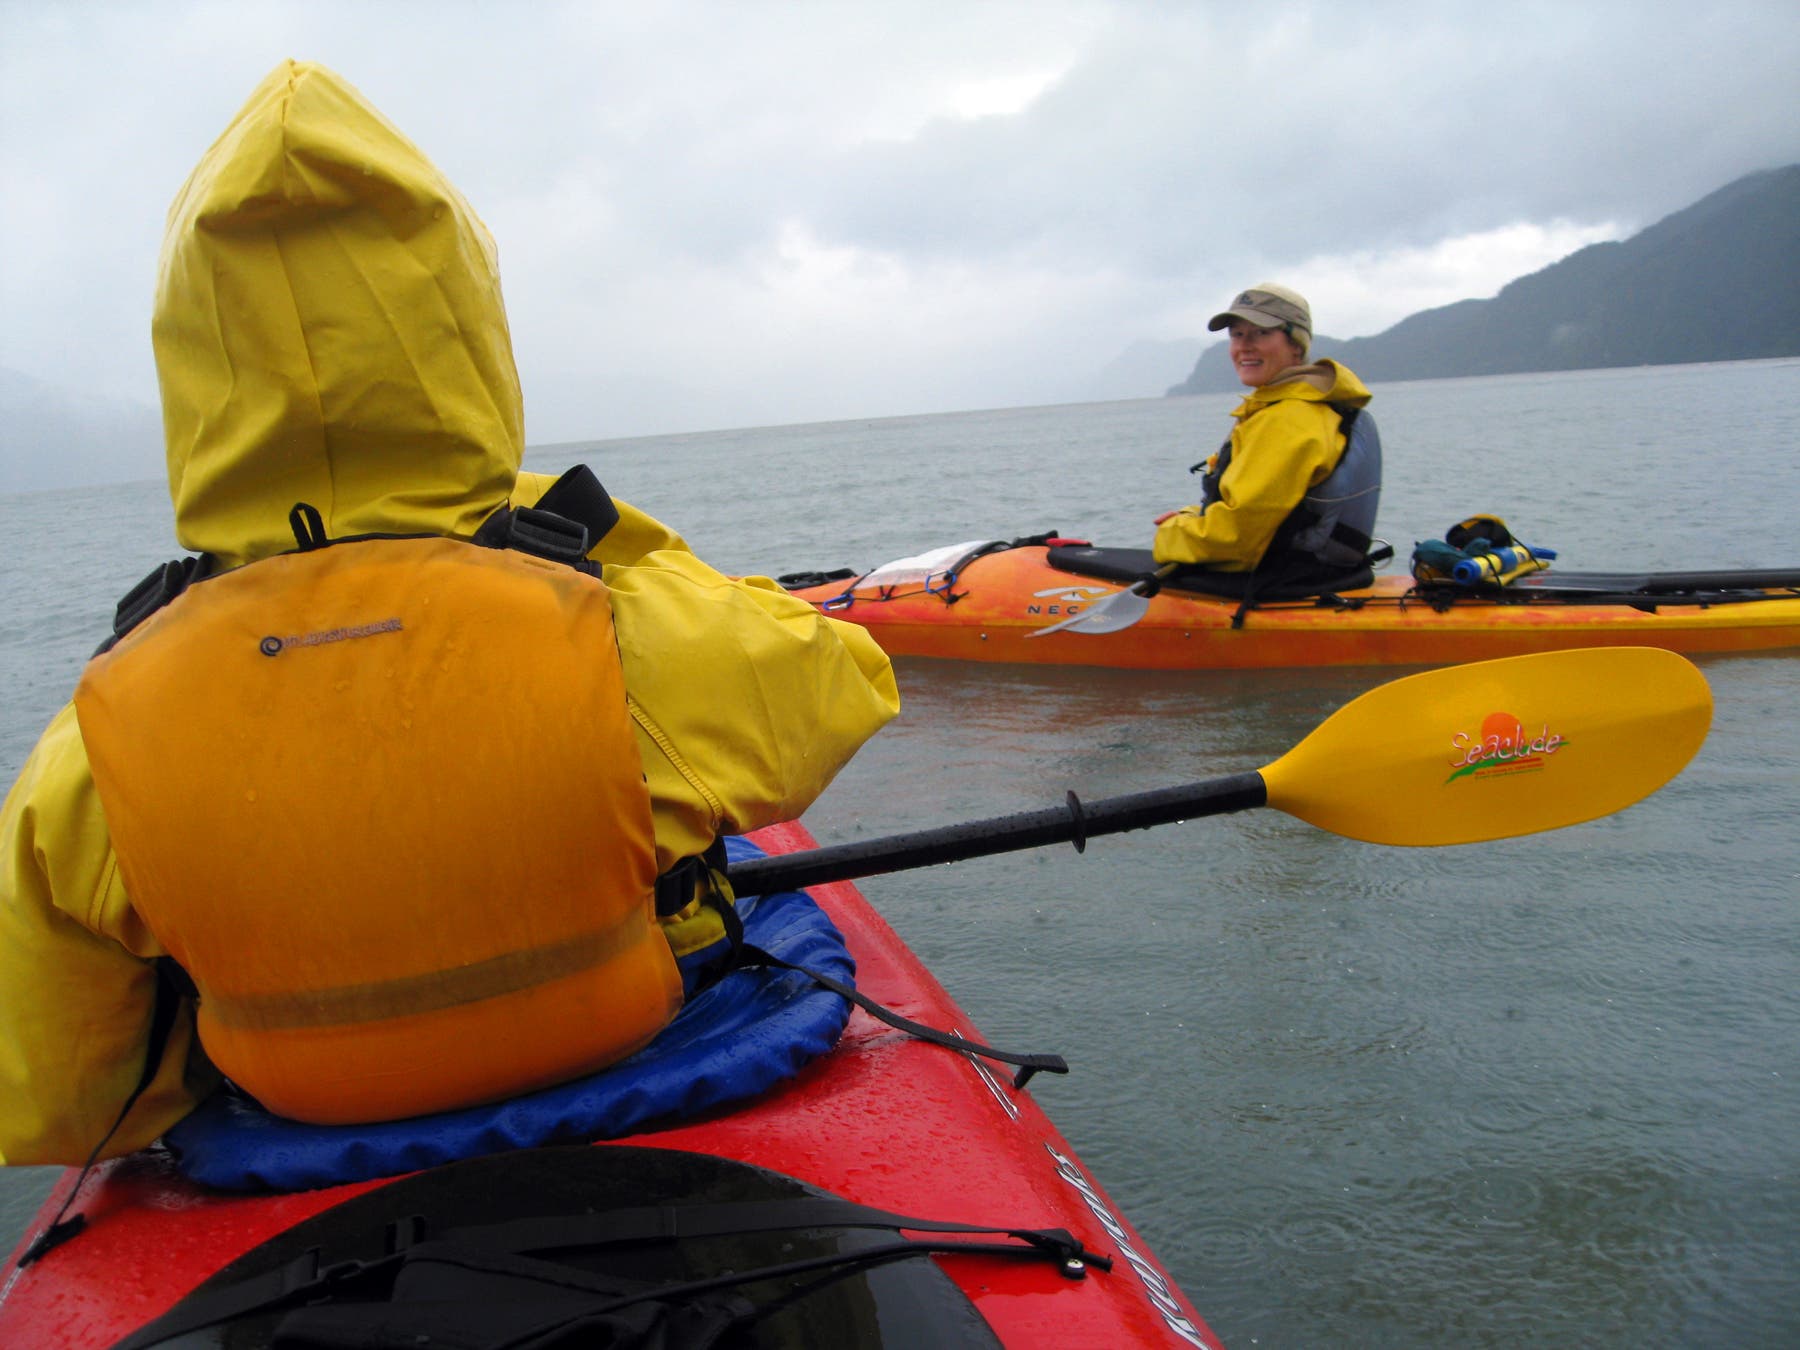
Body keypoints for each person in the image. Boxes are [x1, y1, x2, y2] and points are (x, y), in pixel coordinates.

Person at [0, 61, 900, 1166]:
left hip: (301, 1139)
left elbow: (55, 1105)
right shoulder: (619, 631)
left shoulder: (92, 741)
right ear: (461, 334)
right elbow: (840, 676)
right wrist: (582, 538)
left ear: (198, 371)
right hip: (636, 1066)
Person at [1153, 283, 1380, 582]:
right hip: (1309, 573)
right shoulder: (1301, 406)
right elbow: (1263, 511)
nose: (1245, 346)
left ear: (1296, 344)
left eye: (1261, 333)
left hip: (1276, 581)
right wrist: (1192, 517)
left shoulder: (1289, 419)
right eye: (1237, 334)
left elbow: (1235, 542)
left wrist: (1170, 534)